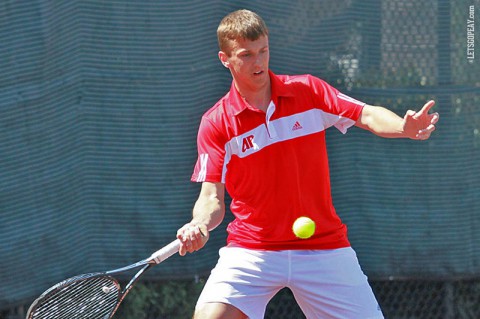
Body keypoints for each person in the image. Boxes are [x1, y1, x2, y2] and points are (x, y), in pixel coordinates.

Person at [176, 9, 439, 319]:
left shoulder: (308, 92)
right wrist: (200, 225)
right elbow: (211, 198)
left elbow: (365, 114)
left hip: (324, 245)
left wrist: (404, 128)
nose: (258, 62)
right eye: (246, 55)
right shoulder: (216, 123)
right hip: (253, 248)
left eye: (263, 51)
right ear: (226, 59)